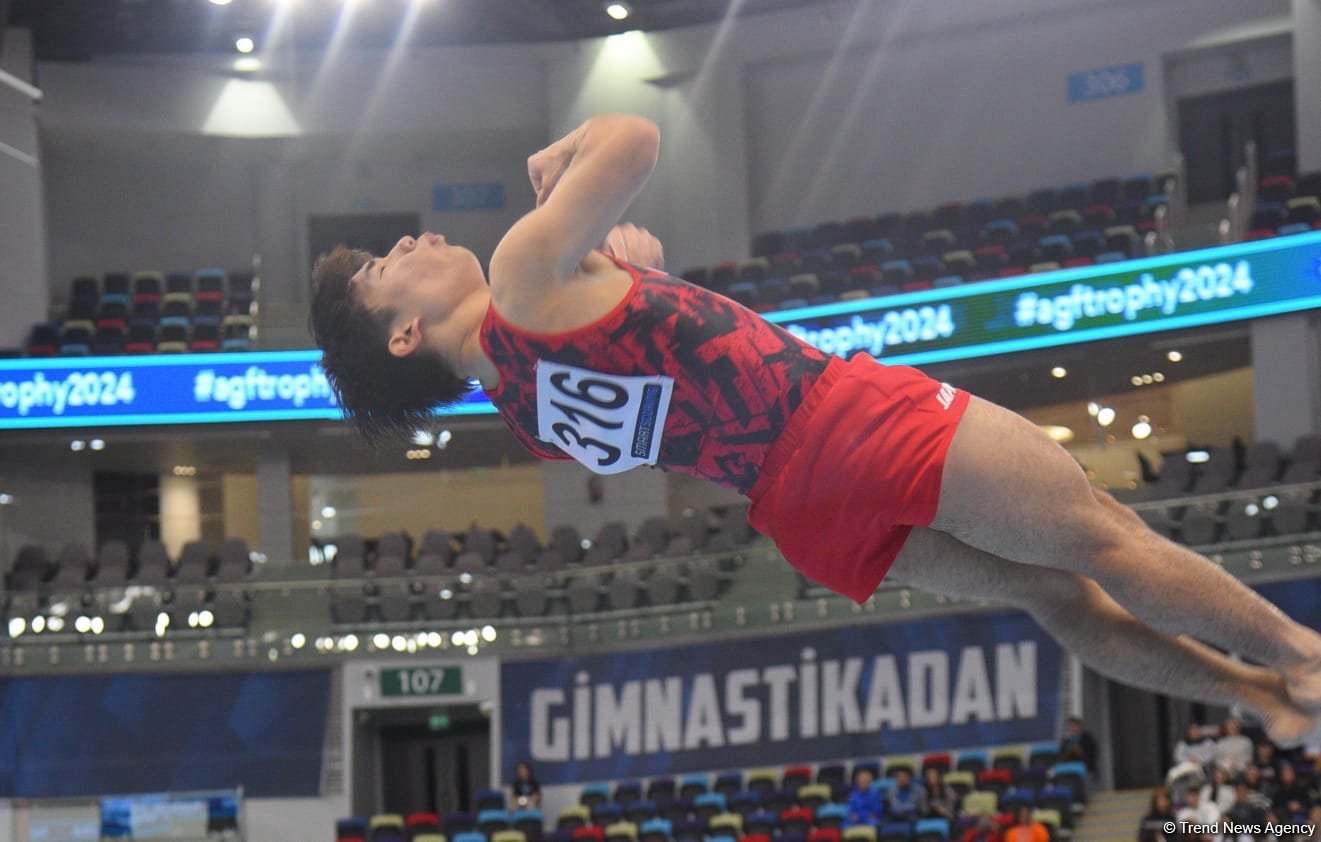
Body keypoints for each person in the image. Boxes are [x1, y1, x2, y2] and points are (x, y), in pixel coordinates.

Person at [310, 113, 1321, 746]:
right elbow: (637, 137)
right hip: (843, 418)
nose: (410, 239)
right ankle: (1298, 653)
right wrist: (566, 155)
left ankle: (1257, 697)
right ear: (403, 335)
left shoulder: (523, 410)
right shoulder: (520, 274)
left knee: (1050, 595)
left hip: (796, 508)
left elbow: (656, 382)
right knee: (1101, 535)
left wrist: (623, 275)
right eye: (384, 267)